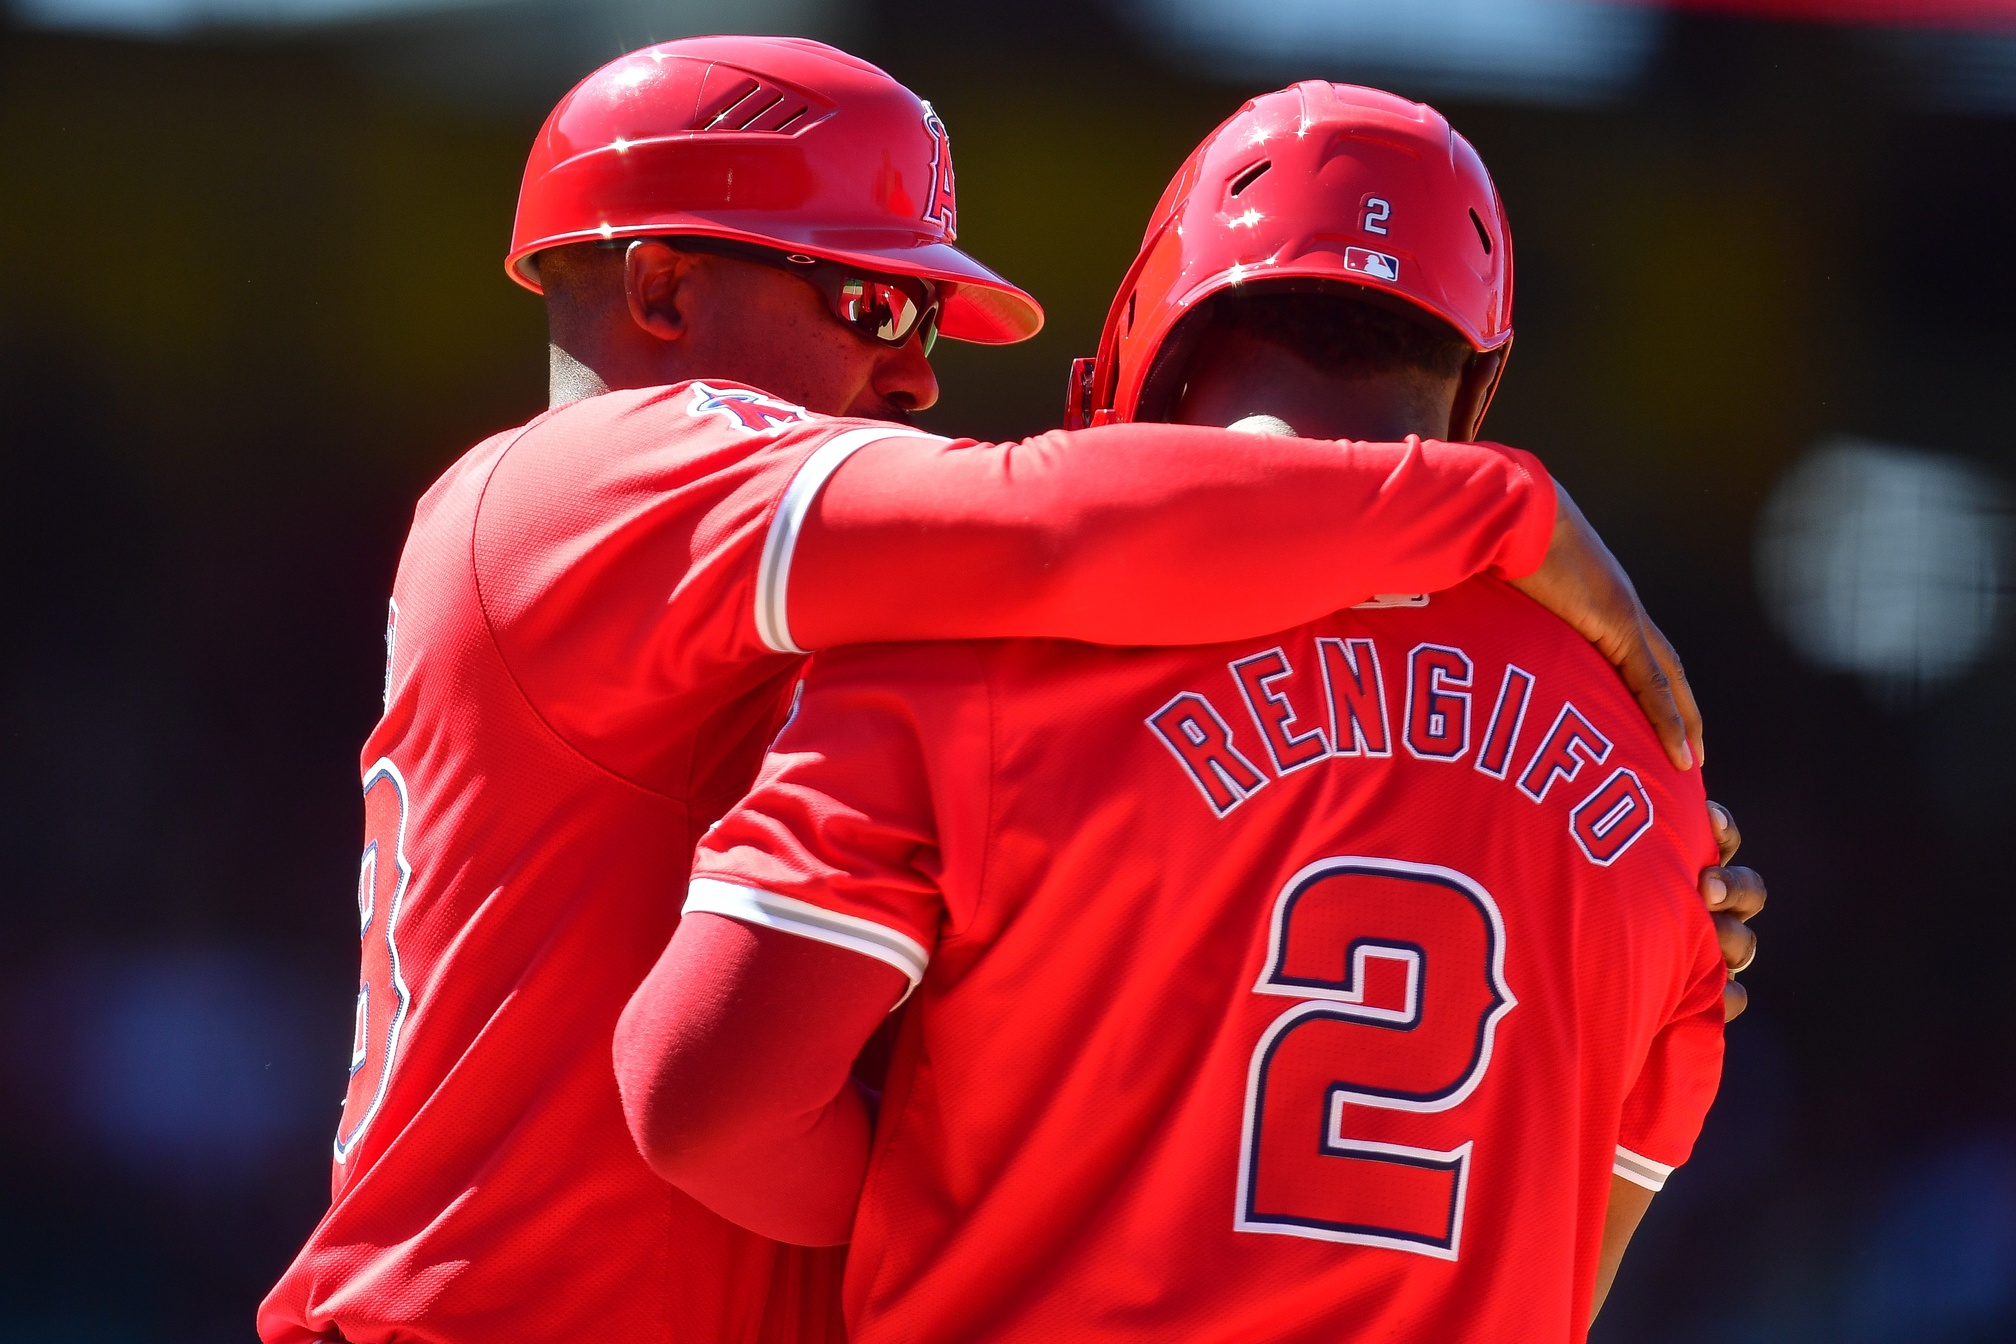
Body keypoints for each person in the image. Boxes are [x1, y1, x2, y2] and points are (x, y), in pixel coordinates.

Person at [614, 81, 1764, 1344]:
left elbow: (704, 1102)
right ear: (1470, 375)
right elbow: (1564, 1272)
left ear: (1155, 328)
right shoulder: (1656, 781)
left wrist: (960, 1195)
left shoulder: (972, 636)